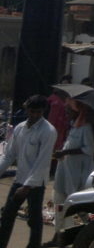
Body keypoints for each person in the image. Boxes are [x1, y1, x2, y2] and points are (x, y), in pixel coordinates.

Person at [0, 95, 58, 248]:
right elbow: (9, 155)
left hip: (36, 183)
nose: (34, 115)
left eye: (38, 112)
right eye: (32, 111)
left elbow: (43, 162)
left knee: (34, 220)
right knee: (7, 216)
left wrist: (27, 186)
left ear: (43, 111)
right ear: (26, 109)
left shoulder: (48, 131)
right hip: (19, 179)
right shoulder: (20, 128)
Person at [44, 100, 94, 247]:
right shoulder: (74, 127)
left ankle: (76, 236)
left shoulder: (85, 128)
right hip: (64, 171)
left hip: (75, 175)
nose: (67, 114)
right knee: (59, 205)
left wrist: (66, 152)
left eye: (69, 111)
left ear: (77, 111)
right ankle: (59, 237)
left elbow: (89, 149)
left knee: (74, 207)